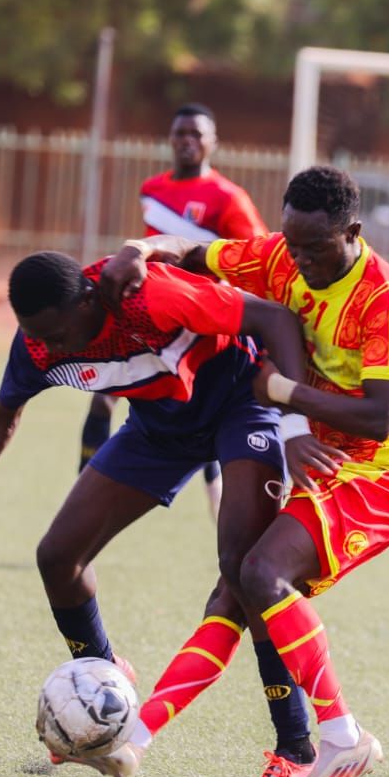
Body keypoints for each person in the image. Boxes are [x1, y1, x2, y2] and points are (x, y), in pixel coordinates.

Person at [0, 249, 328, 777]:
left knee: (243, 571)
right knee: (58, 556)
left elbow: (274, 318)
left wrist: (292, 422)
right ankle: (102, 693)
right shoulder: (39, 343)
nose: (55, 348)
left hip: (241, 404)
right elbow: (2, 415)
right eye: (39, 335)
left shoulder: (149, 296)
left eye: (61, 332)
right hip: (160, 431)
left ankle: (296, 750)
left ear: (89, 300)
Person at [92, 166, 389, 777]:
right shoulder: (279, 255)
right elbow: (195, 250)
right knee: (239, 584)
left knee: (262, 571)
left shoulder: (386, 302)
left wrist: (282, 396)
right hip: (324, 468)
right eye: (291, 244)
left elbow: (381, 417)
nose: (298, 261)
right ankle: (133, 736)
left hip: (377, 478)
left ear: (351, 232)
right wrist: (141, 249)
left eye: (314, 248)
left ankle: (339, 736)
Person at [79, 103, 268, 520]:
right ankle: (82, 493)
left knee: (201, 413)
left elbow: (254, 257)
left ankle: (219, 503)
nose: (187, 141)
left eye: (196, 134)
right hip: (148, 318)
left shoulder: (229, 198)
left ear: (212, 142)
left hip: (202, 323)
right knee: (103, 399)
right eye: (180, 133)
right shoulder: (152, 189)